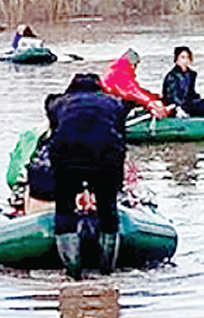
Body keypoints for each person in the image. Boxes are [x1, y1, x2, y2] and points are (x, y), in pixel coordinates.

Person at [45, 73, 128, 280]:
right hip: (106, 159)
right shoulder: (114, 103)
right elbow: (120, 133)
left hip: (67, 159)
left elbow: (53, 122)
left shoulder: (58, 103)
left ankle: (73, 273)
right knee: (108, 209)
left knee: (64, 209)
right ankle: (107, 272)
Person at [100, 48, 170, 118]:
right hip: (114, 103)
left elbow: (134, 89)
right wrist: (150, 102)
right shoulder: (120, 72)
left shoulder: (117, 68)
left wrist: (153, 96)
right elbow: (131, 91)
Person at [162, 46, 204, 118]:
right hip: (178, 106)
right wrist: (177, 107)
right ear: (176, 60)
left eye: (187, 57)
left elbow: (191, 93)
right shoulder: (171, 77)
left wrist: (198, 99)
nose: (185, 60)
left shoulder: (191, 75)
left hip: (188, 103)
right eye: (182, 57)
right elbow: (171, 96)